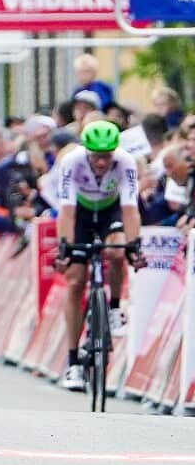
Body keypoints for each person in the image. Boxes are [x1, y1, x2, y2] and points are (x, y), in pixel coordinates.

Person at [54, 120, 145, 391]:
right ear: (86, 150)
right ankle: (73, 363)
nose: (102, 162)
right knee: (75, 281)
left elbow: (130, 208)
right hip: (80, 214)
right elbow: (67, 211)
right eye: (97, 156)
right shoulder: (71, 161)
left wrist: (134, 246)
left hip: (110, 211)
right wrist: (65, 249)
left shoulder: (126, 162)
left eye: (107, 156)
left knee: (117, 250)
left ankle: (114, 307)